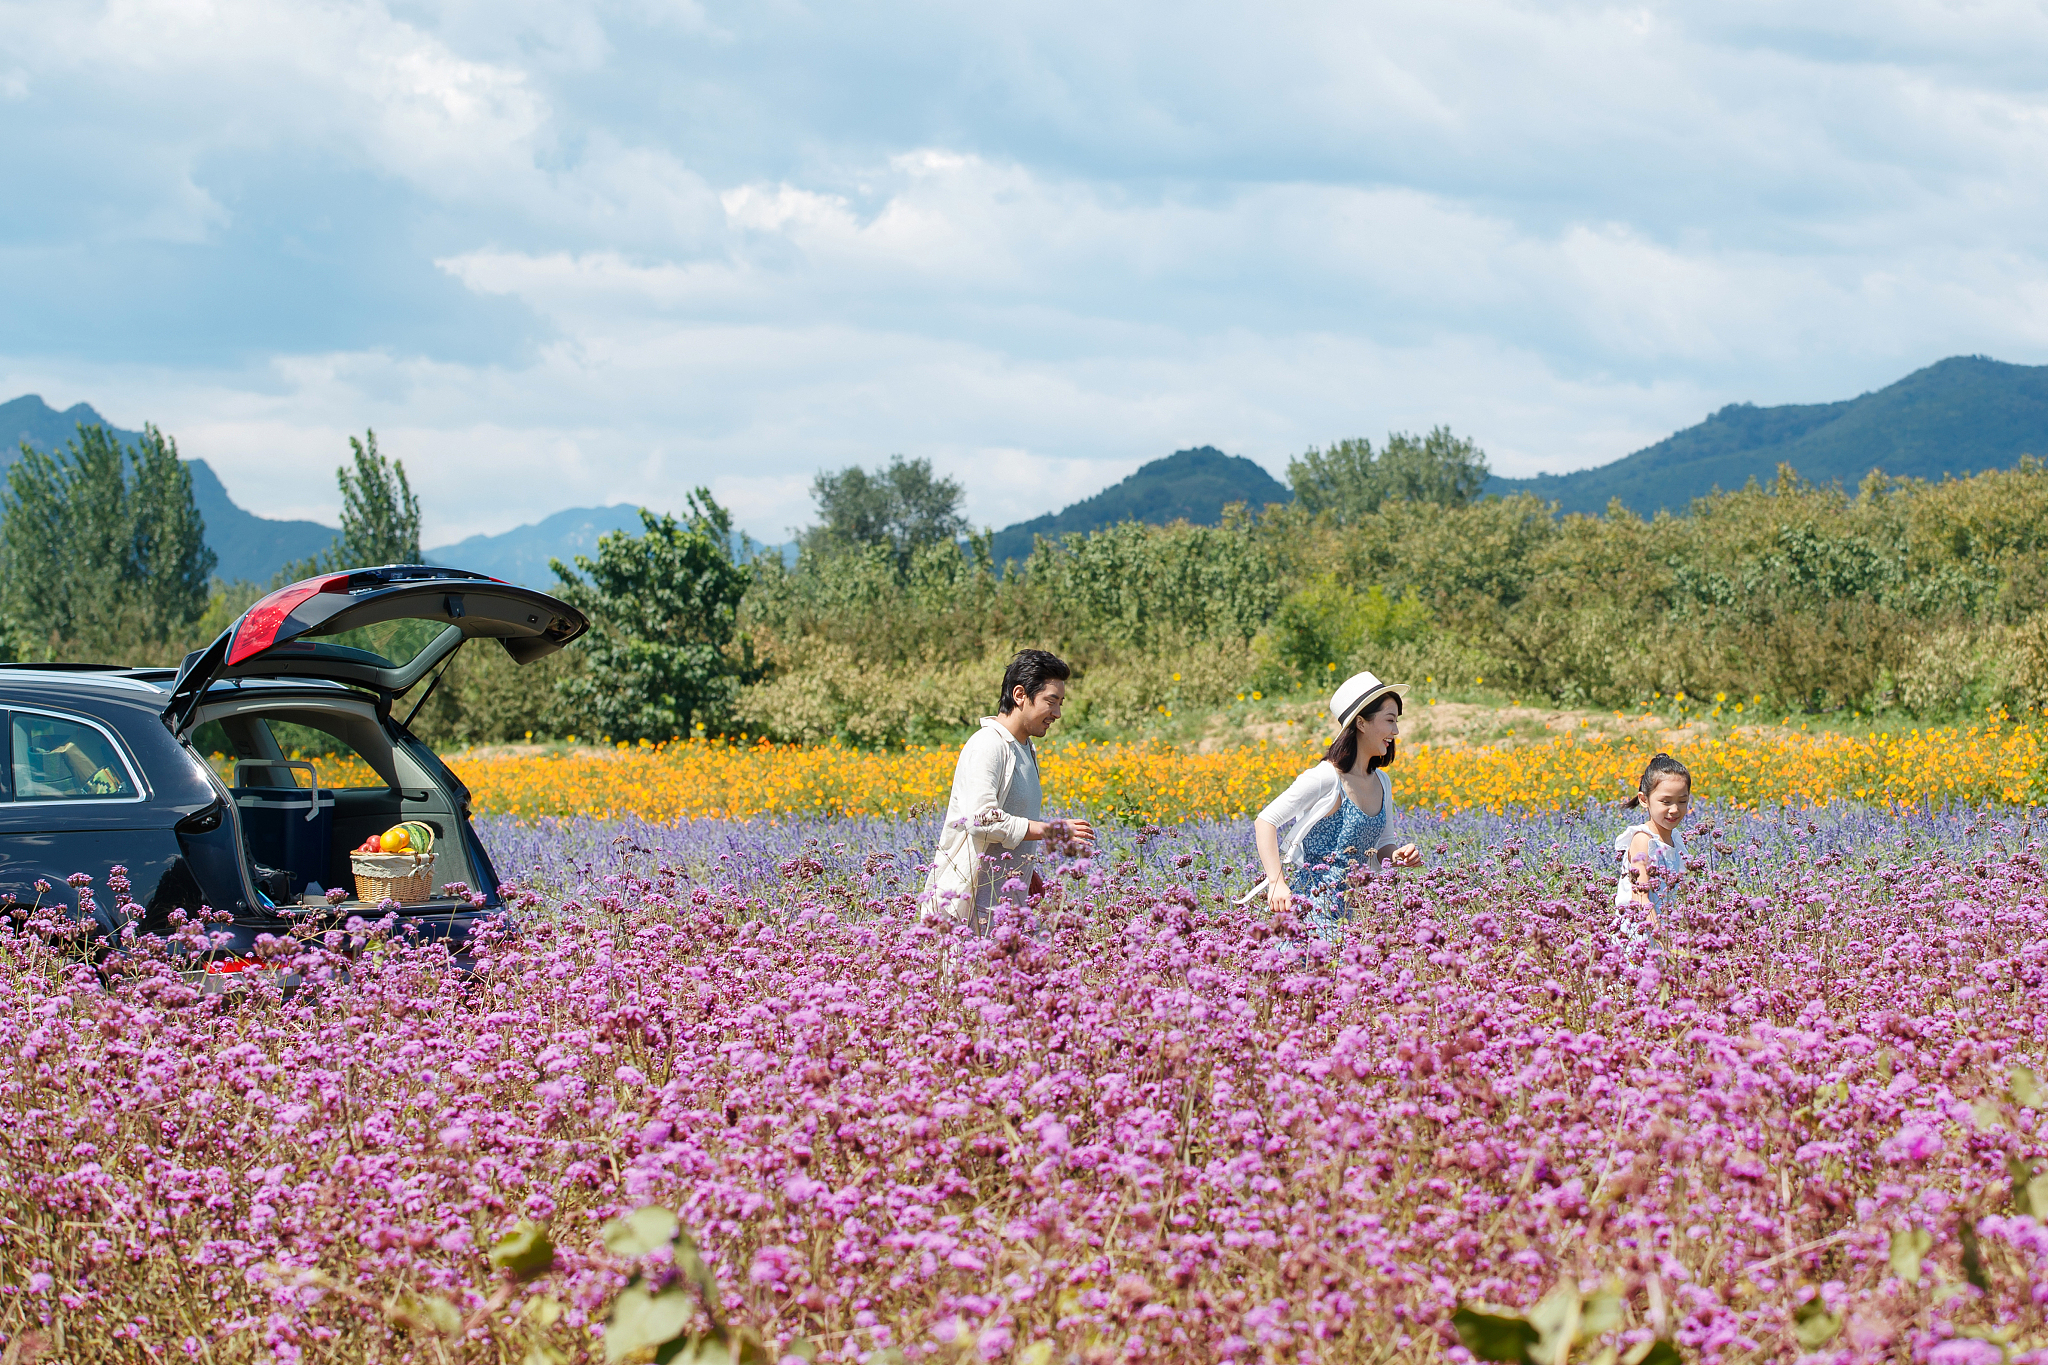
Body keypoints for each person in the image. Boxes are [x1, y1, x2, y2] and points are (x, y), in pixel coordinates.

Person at [921, 649, 1096, 929]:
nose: (1057, 713)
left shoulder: (1025, 748)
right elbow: (981, 820)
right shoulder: (988, 745)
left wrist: (1027, 873)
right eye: (1051, 702)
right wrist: (1051, 831)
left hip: (1006, 910)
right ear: (1019, 695)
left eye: (1061, 703)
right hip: (972, 913)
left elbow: (1010, 824)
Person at [1247, 670, 1422, 937]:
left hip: (1362, 913)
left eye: (1397, 721)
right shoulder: (1325, 777)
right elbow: (1266, 821)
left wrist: (1397, 857)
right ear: (1361, 723)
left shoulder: (1382, 782)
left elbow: (1384, 845)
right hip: (1316, 912)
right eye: (1389, 720)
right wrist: (1276, 882)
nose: (1395, 731)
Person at [1614, 752, 1692, 939]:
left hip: (1664, 932)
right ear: (1643, 799)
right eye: (1665, 802)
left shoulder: (1676, 839)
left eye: (1682, 801)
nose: (1674, 810)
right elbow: (1640, 897)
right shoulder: (1643, 839)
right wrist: (1661, 938)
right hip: (1640, 936)